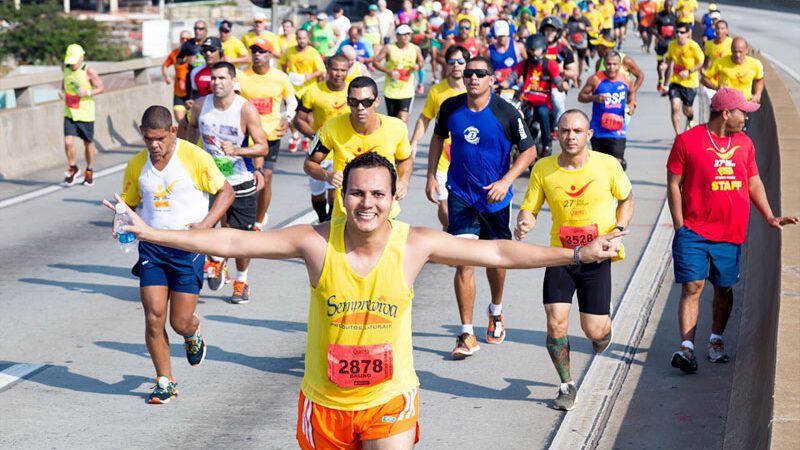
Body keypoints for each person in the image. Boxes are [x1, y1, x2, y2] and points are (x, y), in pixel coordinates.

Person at [109, 151, 624, 446]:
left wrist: (574, 257)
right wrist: (151, 233)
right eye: (357, 192)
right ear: (342, 195)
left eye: (378, 194)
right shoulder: (314, 242)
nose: (367, 203)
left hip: (389, 398)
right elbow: (230, 241)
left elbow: (498, 252)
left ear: (394, 198)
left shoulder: (416, 244)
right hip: (325, 404)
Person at [104, 105, 234, 404]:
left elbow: (226, 192)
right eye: (148, 139)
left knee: (180, 321)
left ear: (173, 132)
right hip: (152, 249)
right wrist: (120, 219)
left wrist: (205, 225)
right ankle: (165, 380)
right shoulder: (137, 165)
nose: (154, 145)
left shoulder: (193, 157)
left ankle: (192, 334)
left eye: (160, 139)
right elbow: (128, 204)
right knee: (153, 317)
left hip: (188, 248)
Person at [666, 88, 799, 373]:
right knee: (693, 286)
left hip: (730, 234)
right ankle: (686, 348)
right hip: (694, 231)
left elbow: (754, 183)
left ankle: (715, 339)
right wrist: (680, 227)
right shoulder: (687, 141)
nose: (747, 118)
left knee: (724, 288)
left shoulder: (745, 144)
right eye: (743, 112)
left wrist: (770, 216)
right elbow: (674, 184)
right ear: (726, 113)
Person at [515, 109, 633, 411]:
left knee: (594, 331)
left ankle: (603, 330)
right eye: (565, 131)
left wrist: (618, 230)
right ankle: (566, 384)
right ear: (557, 133)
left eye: (577, 131)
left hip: (597, 255)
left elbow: (627, 198)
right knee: (556, 324)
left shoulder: (607, 165)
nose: (570, 136)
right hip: (561, 256)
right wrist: (524, 221)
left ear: (589, 135)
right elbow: (530, 206)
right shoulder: (544, 168)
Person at [427, 56, 537, 358]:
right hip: (460, 194)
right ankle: (466, 333)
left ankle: (496, 310)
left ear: (492, 79)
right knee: (464, 262)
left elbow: (529, 152)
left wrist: (506, 181)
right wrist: (431, 176)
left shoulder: (506, 112)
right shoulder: (451, 107)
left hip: (495, 198)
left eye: (480, 73)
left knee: (496, 261)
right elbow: (437, 139)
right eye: (468, 73)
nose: (472, 78)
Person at [187, 62, 269, 303]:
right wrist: (190, 157)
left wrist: (238, 151)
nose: (216, 83)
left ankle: (241, 279)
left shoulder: (245, 110)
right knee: (205, 227)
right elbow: (191, 129)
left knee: (242, 237)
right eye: (213, 78)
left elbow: (262, 145)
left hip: (240, 179)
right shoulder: (201, 105)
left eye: (222, 78)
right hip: (209, 180)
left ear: (233, 81)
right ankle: (216, 259)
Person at [304, 76, 413, 219]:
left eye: (367, 102)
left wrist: (403, 181)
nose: (360, 107)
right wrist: (327, 175)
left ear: (376, 101)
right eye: (354, 102)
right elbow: (309, 164)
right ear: (348, 102)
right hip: (345, 214)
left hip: (384, 213)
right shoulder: (331, 128)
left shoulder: (396, 127)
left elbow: (405, 158)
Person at [238, 39, 296, 231]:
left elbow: (292, 101)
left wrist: (287, 116)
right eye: (254, 51)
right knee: (249, 179)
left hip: (271, 135)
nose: (257, 55)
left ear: (270, 55)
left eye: (262, 51)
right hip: (246, 136)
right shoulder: (241, 76)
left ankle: (258, 220)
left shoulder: (280, 77)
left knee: (267, 177)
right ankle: (245, 214)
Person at [409, 45, 468, 228]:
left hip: (469, 156)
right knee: (445, 209)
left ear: (467, 64)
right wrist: (414, 141)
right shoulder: (437, 91)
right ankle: (449, 232)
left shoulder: (475, 88)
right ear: (446, 65)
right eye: (452, 62)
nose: (456, 65)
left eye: (460, 62)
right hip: (444, 157)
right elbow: (425, 118)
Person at [294, 54, 351, 222]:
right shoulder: (313, 91)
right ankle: (322, 218)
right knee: (317, 195)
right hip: (319, 153)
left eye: (343, 70)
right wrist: (316, 137)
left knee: (336, 191)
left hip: (343, 151)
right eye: (335, 69)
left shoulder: (352, 92)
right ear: (327, 69)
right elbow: (299, 120)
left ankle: (330, 222)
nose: (339, 74)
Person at [502, 33, 567, 158]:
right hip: (525, 99)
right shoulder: (524, 64)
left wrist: (561, 85)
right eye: (530, 50)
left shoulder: (550, 64)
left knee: (542, 112)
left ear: (543, 49)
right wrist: (498, 85)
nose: (533, 53)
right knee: (511, 112)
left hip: (543, 100)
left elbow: (557, 79)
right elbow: (511, 78)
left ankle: (547, 144)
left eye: (535, 50)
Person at [578, 51, 633, 170]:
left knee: (617, 164)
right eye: (608, 64)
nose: (612, 68)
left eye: (615, 64)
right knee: (599, 166)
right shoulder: (595, 79)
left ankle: (615, 187)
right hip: (598, 130)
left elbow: (631, 95)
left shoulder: (626, 80)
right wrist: (595, 98)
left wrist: (632, 106)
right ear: (604, 64)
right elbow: (581, 96)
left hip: (618, 131)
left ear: (620, 65)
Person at [61, 43, 105, 186]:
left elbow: (101, 88)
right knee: (68, 141)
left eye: (74, 61)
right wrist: (62, 91)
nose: (72, 64)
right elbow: (65, 82)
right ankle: (73, 167)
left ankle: (89, 170)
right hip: (69, 111)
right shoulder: (65, 68)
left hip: (85, 113)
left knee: (88, 143)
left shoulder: (89, 71)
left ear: (81, 58)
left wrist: (87, 92)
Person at [279, 29, 326, 153]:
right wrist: (287, 74)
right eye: (299, 38)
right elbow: (282, 63)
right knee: (291, 115)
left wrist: (309, 76)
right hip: (292, 89)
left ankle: (307, 137)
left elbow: (321, 70)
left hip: (308, 90)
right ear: (296, 38)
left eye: (304, 38)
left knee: (309, 117)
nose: (302, 41)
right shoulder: (289, 51)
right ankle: (295, 136)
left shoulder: (313, 52)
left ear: (308, 39)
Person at [372, 25, 424, 123]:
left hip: (407, 89)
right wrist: (389, 71)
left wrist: (417, 66)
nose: (406, 37)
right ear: (397, 36)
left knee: (403, 117)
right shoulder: (389, 48)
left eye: (408, 34)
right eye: (403, 34)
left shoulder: (415, 48)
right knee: (393, 120)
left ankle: (403, 137)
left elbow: (421, 62)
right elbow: (375, 62)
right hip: (391, 89)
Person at [664, 23, 704, 135]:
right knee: (674, 107)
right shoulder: (672, 45)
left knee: (687, 110)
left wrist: (689, 71)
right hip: (676, 81)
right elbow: (669, 59)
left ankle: (691, 118)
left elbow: (701, 62)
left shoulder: (693, 46)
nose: (679, 34)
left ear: (688, 34)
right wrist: (665, 65)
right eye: (677, 32)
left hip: (690, 83)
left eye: (682, 32)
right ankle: (678, 135)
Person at [702, 37, 764, 104]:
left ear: (746, 51)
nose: (737, 55)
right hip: (725, 104)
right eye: (735, 51)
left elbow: (759, 79)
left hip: (744, 104)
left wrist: (758, 94)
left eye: (740, 52)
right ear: (731, 49)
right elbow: (704, 79)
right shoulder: (720, 62)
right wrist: (716, 87)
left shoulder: (755, 64)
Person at [162, 31, 193, 124]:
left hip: (191, 93)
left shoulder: (195, 53)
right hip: (178, 92)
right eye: (182, 39)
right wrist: (167, 77)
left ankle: (190, 136)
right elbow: (164, 66)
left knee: (191, 120)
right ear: (180, 40)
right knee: (180, 119)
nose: (184, 40)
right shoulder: (175, 53)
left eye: (187, 39)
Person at [653, 0, 677, 95]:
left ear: (671, 6)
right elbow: (650, 28)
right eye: (666, 6)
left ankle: (666, 86)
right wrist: (658, 36)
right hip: (660, 44)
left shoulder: (674, 17)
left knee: (669, 64)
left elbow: (677, 29)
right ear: (664, 6)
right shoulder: (658, 16)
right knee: (660, 64)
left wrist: (675, 38)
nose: (667, 8)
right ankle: (660, 78)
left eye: (669, 6)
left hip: (670, 44)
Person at [565, 7, 593, 86]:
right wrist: (566, 30)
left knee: (581, 61)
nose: (575, 15)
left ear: (580, 13)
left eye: (577, 14)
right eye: (574, 14)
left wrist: (584, 28)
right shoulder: (570, 19)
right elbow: (567, 27)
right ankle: (574, 78)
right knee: (574, 60)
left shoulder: (584, 19)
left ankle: (579, 76)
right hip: (572, 43)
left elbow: (591, 28)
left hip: (582, 44)